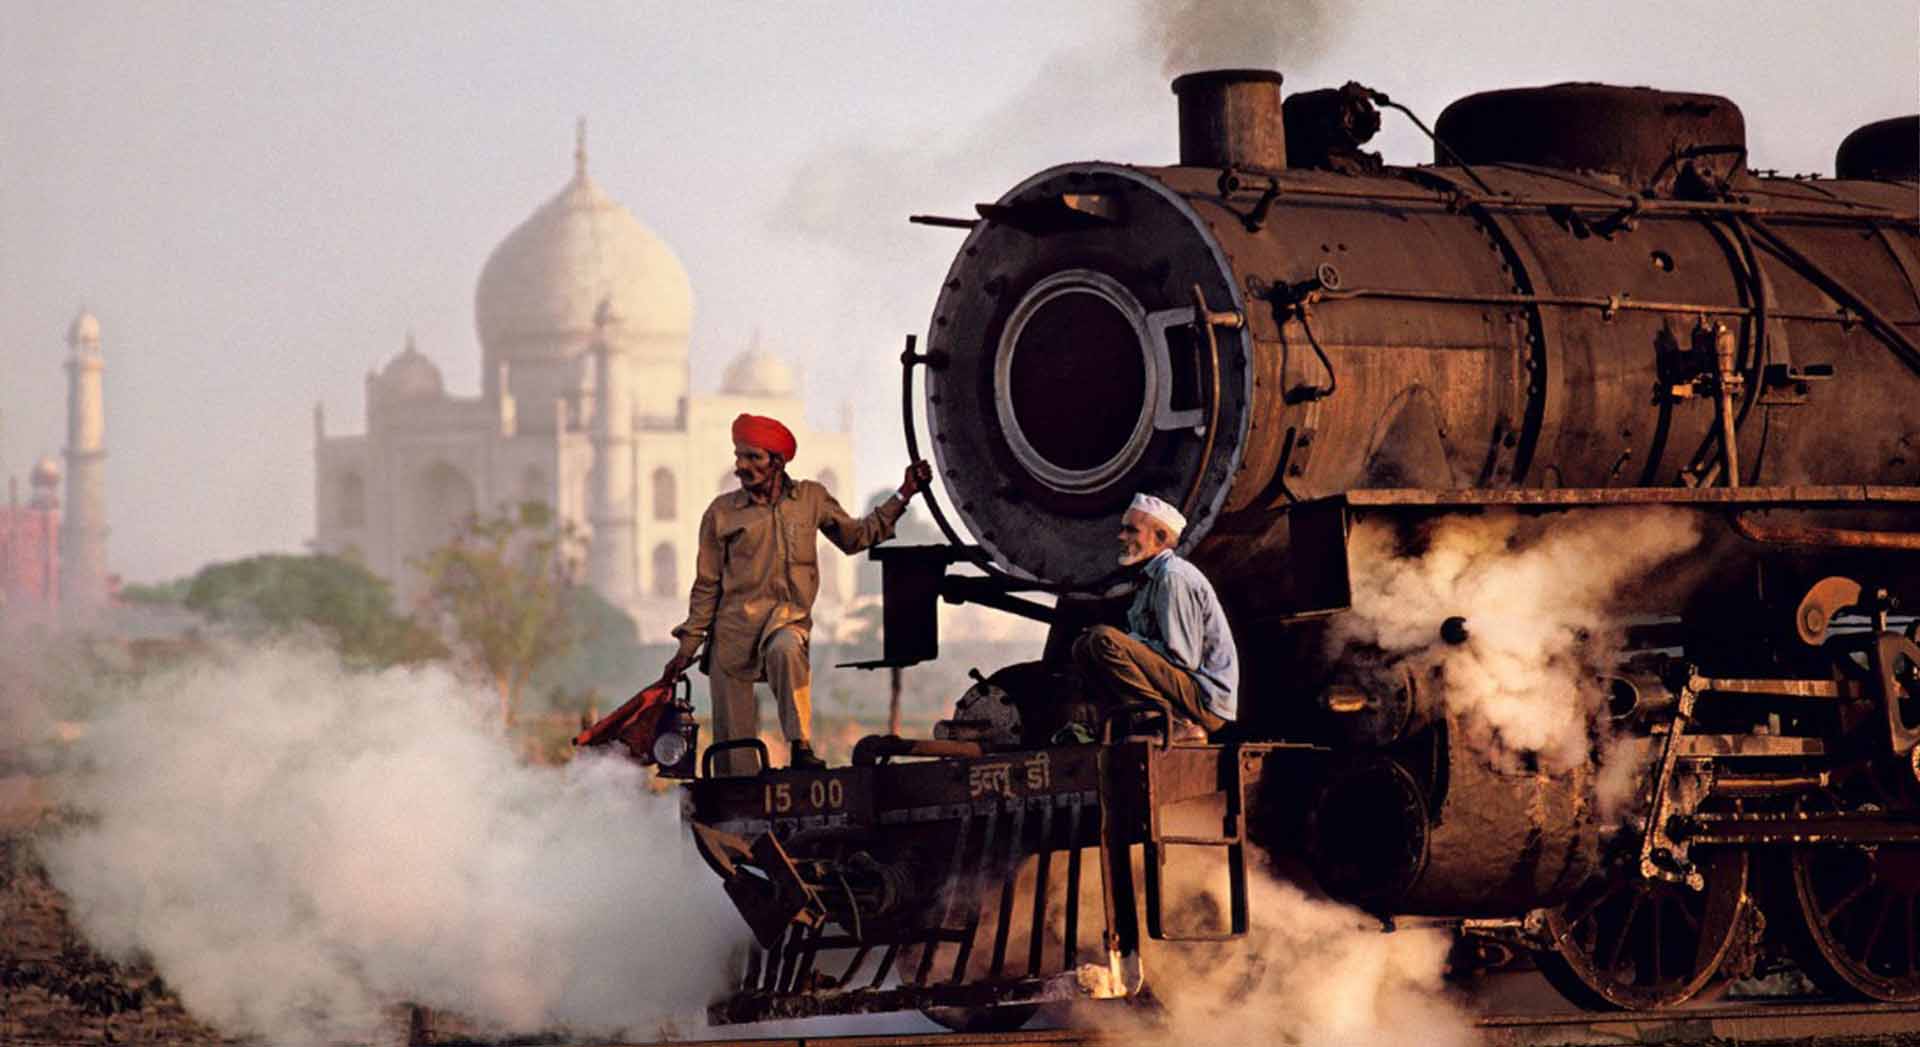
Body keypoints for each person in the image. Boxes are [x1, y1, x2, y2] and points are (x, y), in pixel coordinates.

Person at [666, 413, 932, 772]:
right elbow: (707, 584)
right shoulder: (722, 513)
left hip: (784, 622)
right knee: (735, 763)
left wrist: (904, 494)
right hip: (733, 636)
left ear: (777, 462)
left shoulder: (810, 499)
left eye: (753, 458)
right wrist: (687, 646)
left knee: (787, 649)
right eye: (739, 456)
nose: (741, 466)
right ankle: (739, 814)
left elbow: (856, 537)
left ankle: (800, 747)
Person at [1072, 493, 1238, 742]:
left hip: (1203, 699)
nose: (1120, 537)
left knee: (1104, 639)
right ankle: (1142, 723)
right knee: (1083, 646)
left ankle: (1179, 726)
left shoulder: (1173, 577)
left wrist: (1128, 643)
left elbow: (1183, 658)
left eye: (1131, 530)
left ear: (1160, 537)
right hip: (1183, 689)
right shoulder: (1149, 579)